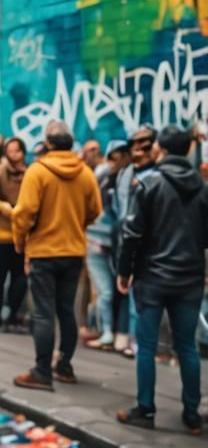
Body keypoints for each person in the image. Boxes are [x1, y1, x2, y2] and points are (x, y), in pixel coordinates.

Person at [115, 126, 205, 434]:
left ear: (161, 150)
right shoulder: (203, 187)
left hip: (153, 276)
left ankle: (145, 408)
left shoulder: (150, 184)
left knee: (147, 346)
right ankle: (192, 414)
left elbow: (133, 234)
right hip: (190, 278)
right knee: (187, 348)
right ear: (187, 151)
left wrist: (124, 271)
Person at [12, 121, 102, 392]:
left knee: (43, 313)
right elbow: (95, 210)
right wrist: (76, 224)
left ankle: (42, 371)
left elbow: (24, 213)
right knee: (66, 310)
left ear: (48, 143)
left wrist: (20, 243)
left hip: (43, 251)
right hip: (73, 251)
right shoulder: (85, 173)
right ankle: (64, 365)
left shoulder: (37, 172)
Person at [111, 126, 158, 359]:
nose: (139, 149)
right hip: (127, 241)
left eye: (146, 144)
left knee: (144, 299)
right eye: (135, 144)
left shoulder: (159, 175)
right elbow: (119, 210)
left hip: (152, 246)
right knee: (129, 294)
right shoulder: (125, 174)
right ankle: (133, 340)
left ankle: (143, 343)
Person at [84, 141, 130, 351]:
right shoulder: (102, 178)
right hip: (95, 241)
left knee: (113, 291)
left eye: (117, 157)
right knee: (106, 291)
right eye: (110, 157)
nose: (113, 162)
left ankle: (109, 332)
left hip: (115, 243)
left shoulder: (126, 177)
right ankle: (107, 332)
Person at [0, 137, 28, 332]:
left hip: (23, 232)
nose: (14, 155)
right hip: (0, 231)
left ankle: (13, 314)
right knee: (0, 274)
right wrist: (3, 207)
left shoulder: (31, 173)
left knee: (20, 275)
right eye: (10, 151)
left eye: (17, 151)